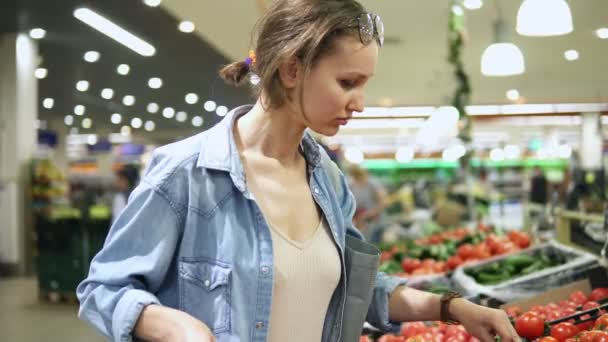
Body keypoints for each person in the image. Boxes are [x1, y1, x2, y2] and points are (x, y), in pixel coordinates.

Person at [76, 1, 520, 341]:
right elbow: (103, 289)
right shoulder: (186, 174)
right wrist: (171, 325)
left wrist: (453, 308)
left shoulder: (326, 178)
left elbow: (362, 291)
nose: (360, 103)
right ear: (292, 69)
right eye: (348, 83)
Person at [348, 164, 388, 242]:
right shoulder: (351, 185)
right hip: (361, 223)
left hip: (375, 222)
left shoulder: (373, 183)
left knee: (375, 244)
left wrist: (367, 214)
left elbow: (383, 202)